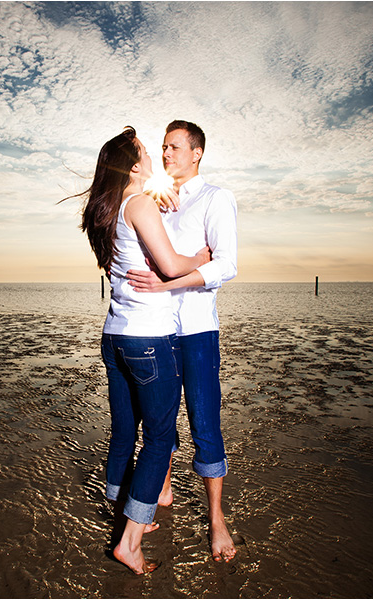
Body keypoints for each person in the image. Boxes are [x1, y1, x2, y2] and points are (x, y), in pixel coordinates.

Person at [75, 126, 212, 574]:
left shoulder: (111, 210)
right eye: (145, 152)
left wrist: (160, 200)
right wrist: (203, 256)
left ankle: (125, 515)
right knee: (157, 441)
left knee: (122, 432)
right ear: (134, 166)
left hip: (114, 336)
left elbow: (138, 244)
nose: (155, 155)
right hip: (149, 339)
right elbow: (171, 266)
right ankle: (129, 542)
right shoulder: (137, 206)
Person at [125, 120, 239, 563]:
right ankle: (164, 489)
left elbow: (226, 265)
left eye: (174, 147)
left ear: (197, 153)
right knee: (159, 421)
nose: (166, 153)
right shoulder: (155, 200)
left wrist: (169, 284)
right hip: (155, 329)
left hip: (195, 331)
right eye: (163, 147)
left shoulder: (216, 198)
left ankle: (216, 519)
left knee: (205, 423)